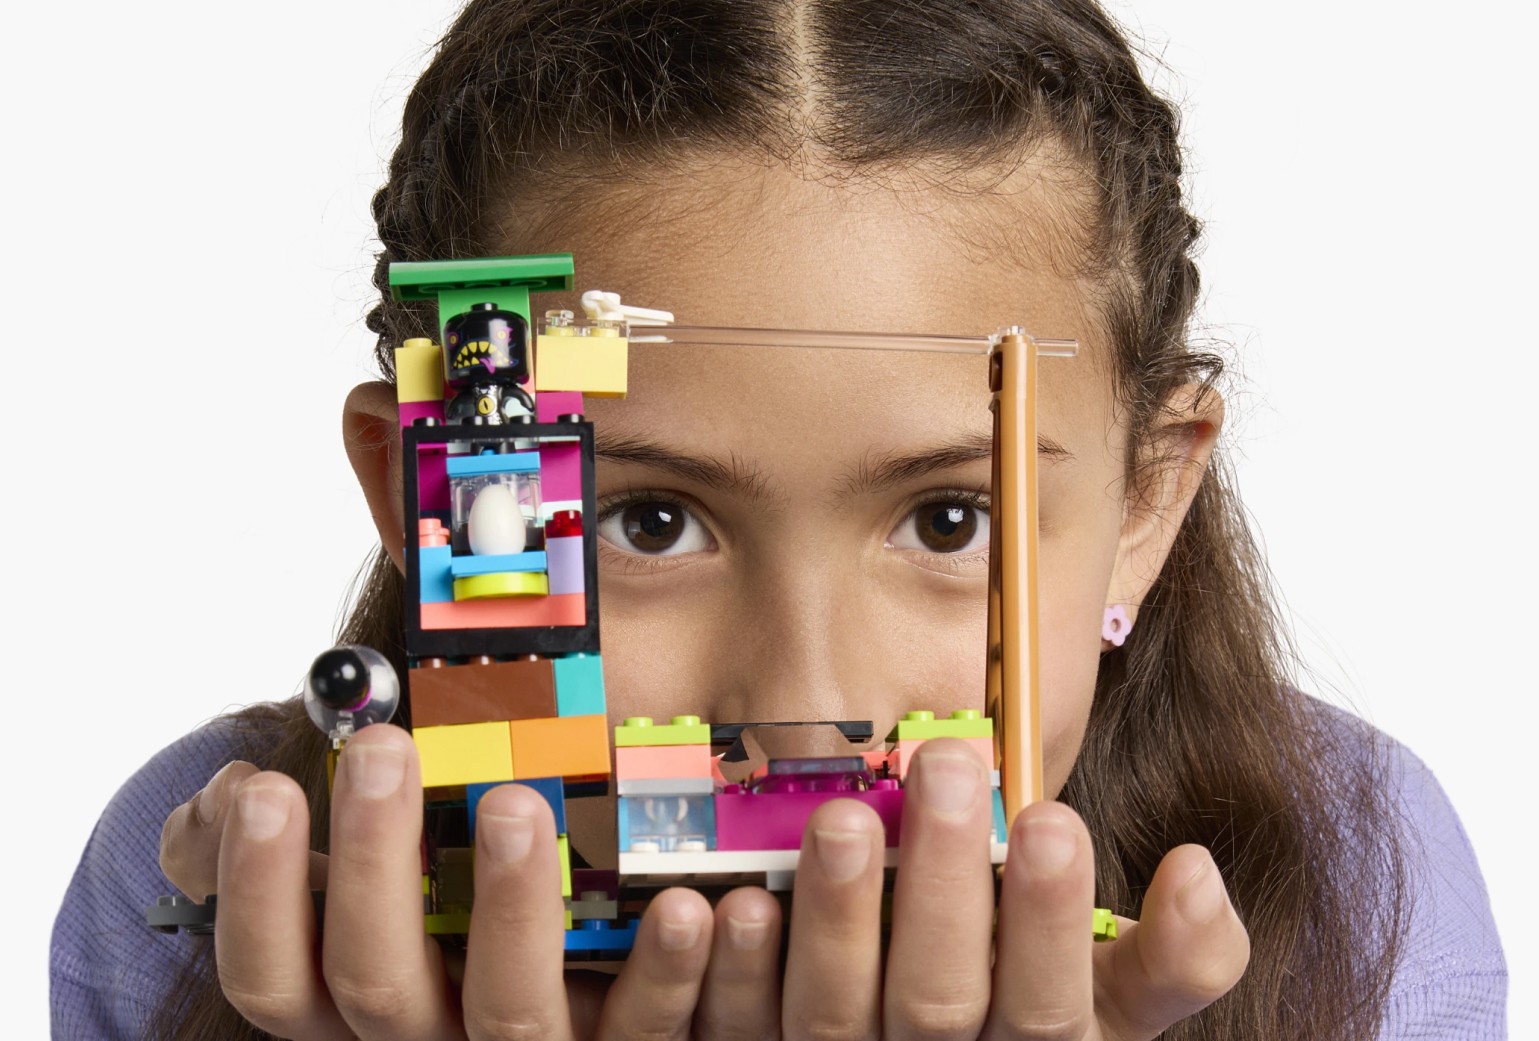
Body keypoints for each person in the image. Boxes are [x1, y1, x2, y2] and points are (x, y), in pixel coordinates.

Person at [50, 1, 1507, 1039]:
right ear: (419, 499)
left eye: (947, 521)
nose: (806, 699)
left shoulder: (1362, 884)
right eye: (653, 523)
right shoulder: (199, 885)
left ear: (1147, 503)